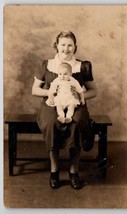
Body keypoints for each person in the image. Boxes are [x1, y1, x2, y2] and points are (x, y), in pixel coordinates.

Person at [32, 31, 97, 190]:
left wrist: (80, 96)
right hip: (52, 103)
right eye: (63, 45)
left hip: (74, 103)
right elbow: (35, 90)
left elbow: (93, 91)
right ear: (56, 46)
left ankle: (73, 170)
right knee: (52, 122)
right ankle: (54, 170)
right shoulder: (46, 64)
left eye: (70, 45)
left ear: (75, 47)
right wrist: (52, 93)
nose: (66, 49)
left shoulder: (83, 66)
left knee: (77, 122)